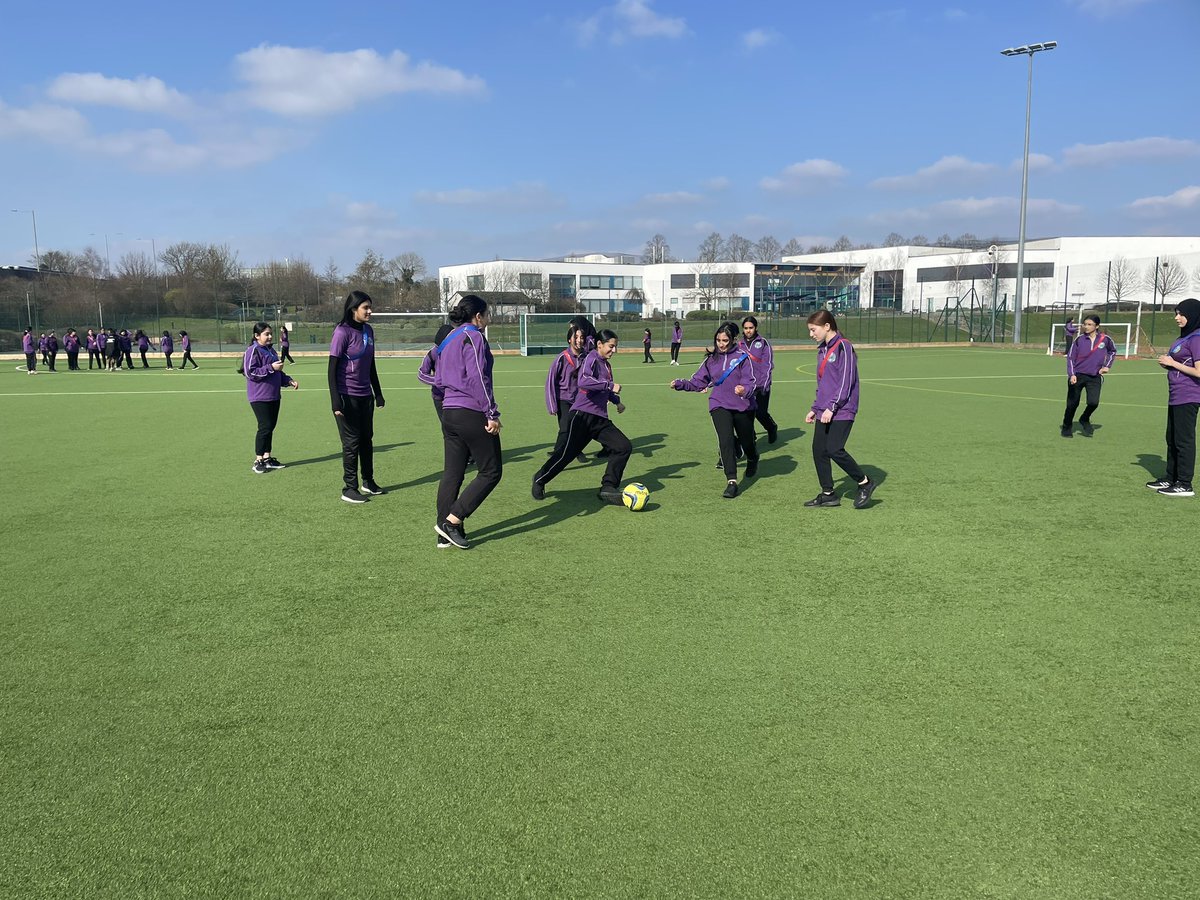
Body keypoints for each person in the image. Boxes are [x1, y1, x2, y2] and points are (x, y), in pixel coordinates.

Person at [532, 328, 632, 507]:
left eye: (615, 347)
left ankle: (608, 488)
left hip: (599, 419)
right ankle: (540, 478)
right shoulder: (591, 358)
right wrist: (610, 385)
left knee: (623, 447)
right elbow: (584, 381)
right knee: (565, 455)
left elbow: (602, 389)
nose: (614, 350)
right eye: (611, 346)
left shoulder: (606, 365)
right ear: (599, 345)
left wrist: (616, 401)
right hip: (582, 416)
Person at [433, 294, 503, 549]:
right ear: (478, 316)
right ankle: (451, 522)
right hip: (470, 411)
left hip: (449, 412)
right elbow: (478, 378)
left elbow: (437, 380)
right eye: (487, 313)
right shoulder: (473, 337)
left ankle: (444, 533)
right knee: (491, 471)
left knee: (452, 473)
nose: (488, 318)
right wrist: (491, 413)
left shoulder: (448, 338)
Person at [670, 322, 759, 498]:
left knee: (747, 440)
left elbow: (751, 382)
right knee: (725, 440)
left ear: (734, 339)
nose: (721, 344)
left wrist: (744, 390)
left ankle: (752, 457)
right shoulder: (711, 360)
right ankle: (731, 481)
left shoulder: (742, 358)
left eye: (725, 340)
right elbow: (697, 382)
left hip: (742, 406)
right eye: (718, 340)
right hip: (719, 404)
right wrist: (680, 384)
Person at [803, 310, 877, 509]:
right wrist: (815, 408)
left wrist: (832, 407)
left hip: (842, 408)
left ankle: (865, 482)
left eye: (813, 329)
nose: (811, 334)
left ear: (827, 326)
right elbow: (823, 384)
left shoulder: (843, 346)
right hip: (825, 409)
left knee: (834, 448)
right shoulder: (822, 349)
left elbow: (846, 380)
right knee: (819, 450)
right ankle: (828, 494)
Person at [329, 290, 386, 503]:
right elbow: (332, 368)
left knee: (366, 440)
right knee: (351, 443)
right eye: (366, 308)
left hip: (365, 396)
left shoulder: (368, 331)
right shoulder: (342, 332)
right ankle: (349, 488)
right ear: (354, 309)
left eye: (370, 307)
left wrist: (378, 393)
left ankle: (368, 481)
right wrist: (335, 400)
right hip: (346, 396)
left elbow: (370, 365)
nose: (370, 311)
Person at [1149, 298, 1200, 497]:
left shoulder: (1196, 338)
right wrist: (1168, 364)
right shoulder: (1183, 338)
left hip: (1189, 395)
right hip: (1176, 395)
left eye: (1181, 314)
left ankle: (1185, 484)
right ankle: (1171, 477)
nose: (1177, 318)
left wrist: (1173, 363)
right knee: (1171, 438)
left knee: (1183, 440)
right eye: (1176, 313)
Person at [243, 322, 298, 474]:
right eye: (266, 334)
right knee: (265, 426)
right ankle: (258, 459)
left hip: (274, 395)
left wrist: (288, 380)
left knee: (270, 427)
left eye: (270, 333)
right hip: (259, 396)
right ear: (256, 336)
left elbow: (277, 372)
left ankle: (267, 458)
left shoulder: (271, 350)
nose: (269, 336)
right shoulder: (253, 350)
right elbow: (250, 373)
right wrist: (270, 368)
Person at [543, 319, 595, 466]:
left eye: (581, 337)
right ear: (569, 339)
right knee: (566, 427)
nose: (579, 340)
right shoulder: (561, 359)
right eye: (576, 337)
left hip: (580, 399)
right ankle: (561, 455)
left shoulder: (586, 357)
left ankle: (566, 449)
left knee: (580, 427)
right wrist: (552, 405)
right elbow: (550, 382)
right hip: (563, 399)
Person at [1061, 314, 1115, 438]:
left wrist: (1107, 366)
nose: (1086, 327)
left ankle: (1084, 418)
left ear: (1097, 326)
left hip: (1095, 376)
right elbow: (1070, 357)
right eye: (1085, 324)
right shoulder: (1079, 340)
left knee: (1093, 403)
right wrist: (1072, 374)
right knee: (1072, 404)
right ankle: (1066, 427)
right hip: (1078, 376)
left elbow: (1112, 351)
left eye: (1089, 324)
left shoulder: (1105, 339)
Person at [741, 316, 779, 444]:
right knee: (746, 413)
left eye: (751, 328)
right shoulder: (738, 345)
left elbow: (767, 365)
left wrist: (764, 384)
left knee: (761, 413)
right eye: (746, 328)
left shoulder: (763, 343)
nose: (748, 330)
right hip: (746, 386)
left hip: (761, 385)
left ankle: (771, 427)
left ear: (755, 328)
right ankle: (752, 437)